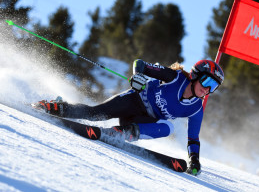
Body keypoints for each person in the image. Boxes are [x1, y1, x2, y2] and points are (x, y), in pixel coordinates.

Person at [37, 59, 224, 175]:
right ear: (195, 75)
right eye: (207, 81)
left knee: (169, 127)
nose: (207, 89)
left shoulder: (196, 109)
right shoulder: (174, 77)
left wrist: (194, 160)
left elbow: (193, 138)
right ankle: (55, 107)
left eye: (213, 87)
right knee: (95, 114)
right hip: (133, 101)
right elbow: (140, 64)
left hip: (141, 122)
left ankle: (122, 133)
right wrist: (137, 77)